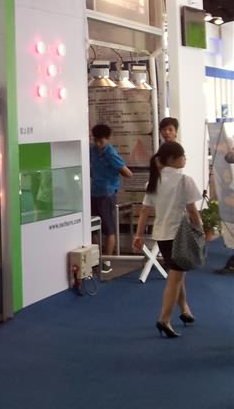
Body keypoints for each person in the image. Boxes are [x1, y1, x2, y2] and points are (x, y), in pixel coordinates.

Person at [133, 142, 215, 338]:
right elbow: (193, 211)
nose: (185, 158)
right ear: (172, 159)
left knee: (177, 274)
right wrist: (201, 231)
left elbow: (144, 211)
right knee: (175, 278)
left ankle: (185, 309)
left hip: (162, 235)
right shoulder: (184, 180)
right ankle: (164, 319)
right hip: (180, 234)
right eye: (183, 155)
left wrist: (138, 234)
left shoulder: (153, 181)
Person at [90, 124, 132, 272]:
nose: (97, 144)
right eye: (95, 140)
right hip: (94, 192)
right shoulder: (91, 150)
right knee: (92, 227)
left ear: (108, 139)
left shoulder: (110, 153)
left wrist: (113, 171)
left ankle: (107, 261)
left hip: (107, 194)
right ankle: (96, 258)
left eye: (100, 141)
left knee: (109, 229)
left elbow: (128, 173)